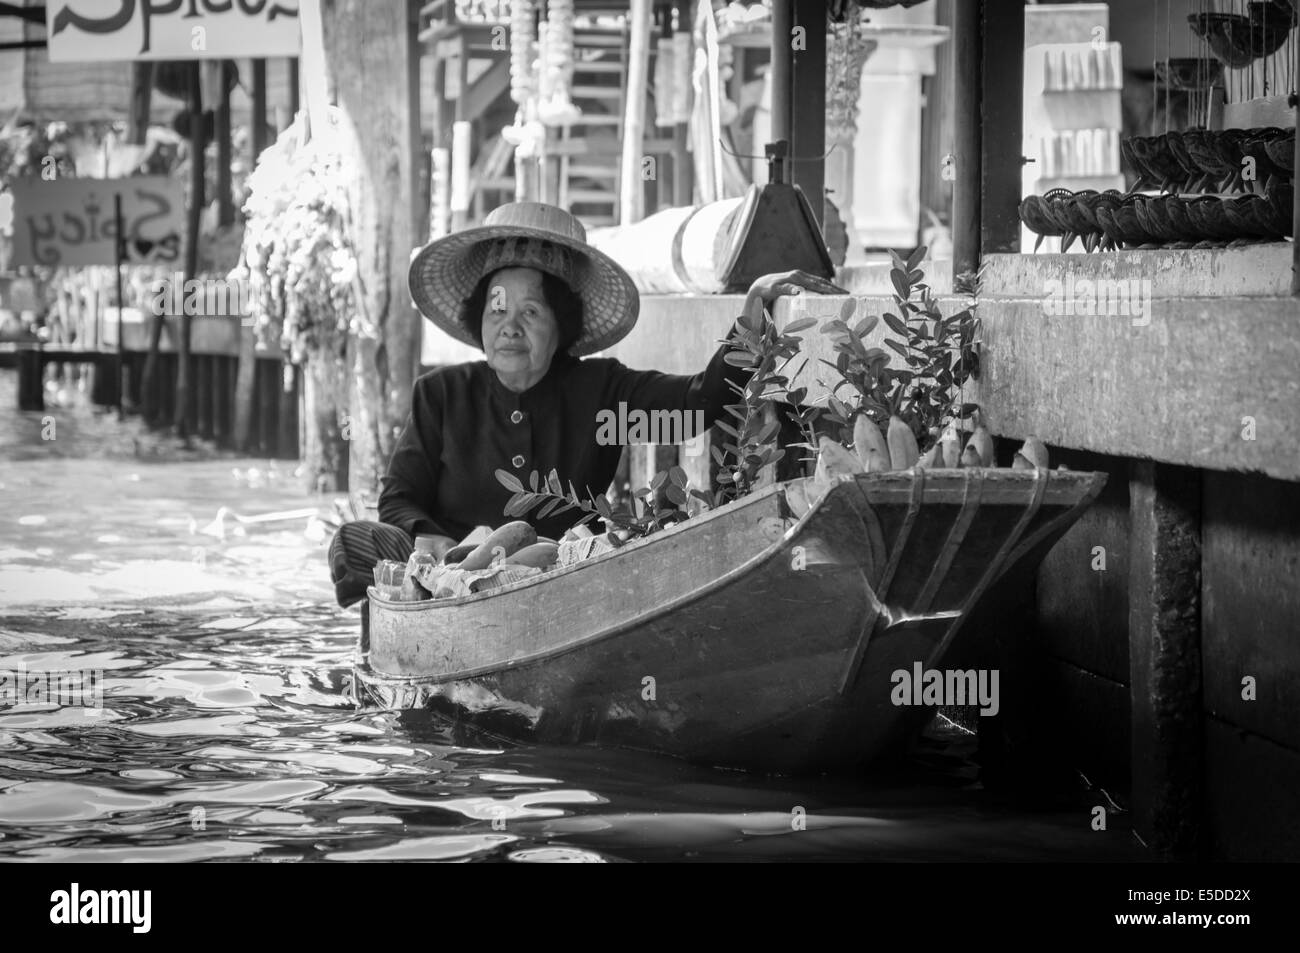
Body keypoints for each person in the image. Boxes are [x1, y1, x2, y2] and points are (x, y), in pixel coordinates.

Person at [329, 202, 843, 607]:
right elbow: (397, 500)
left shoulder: (603, 391)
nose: (510, 326)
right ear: (479, 317)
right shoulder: (440, 395)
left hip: (559, 587)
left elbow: (698, 405)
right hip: (447, 586)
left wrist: (752, 313)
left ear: (564, 325)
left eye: (531, 311)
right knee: (353, 542)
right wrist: (434, 541)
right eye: (498, 309)